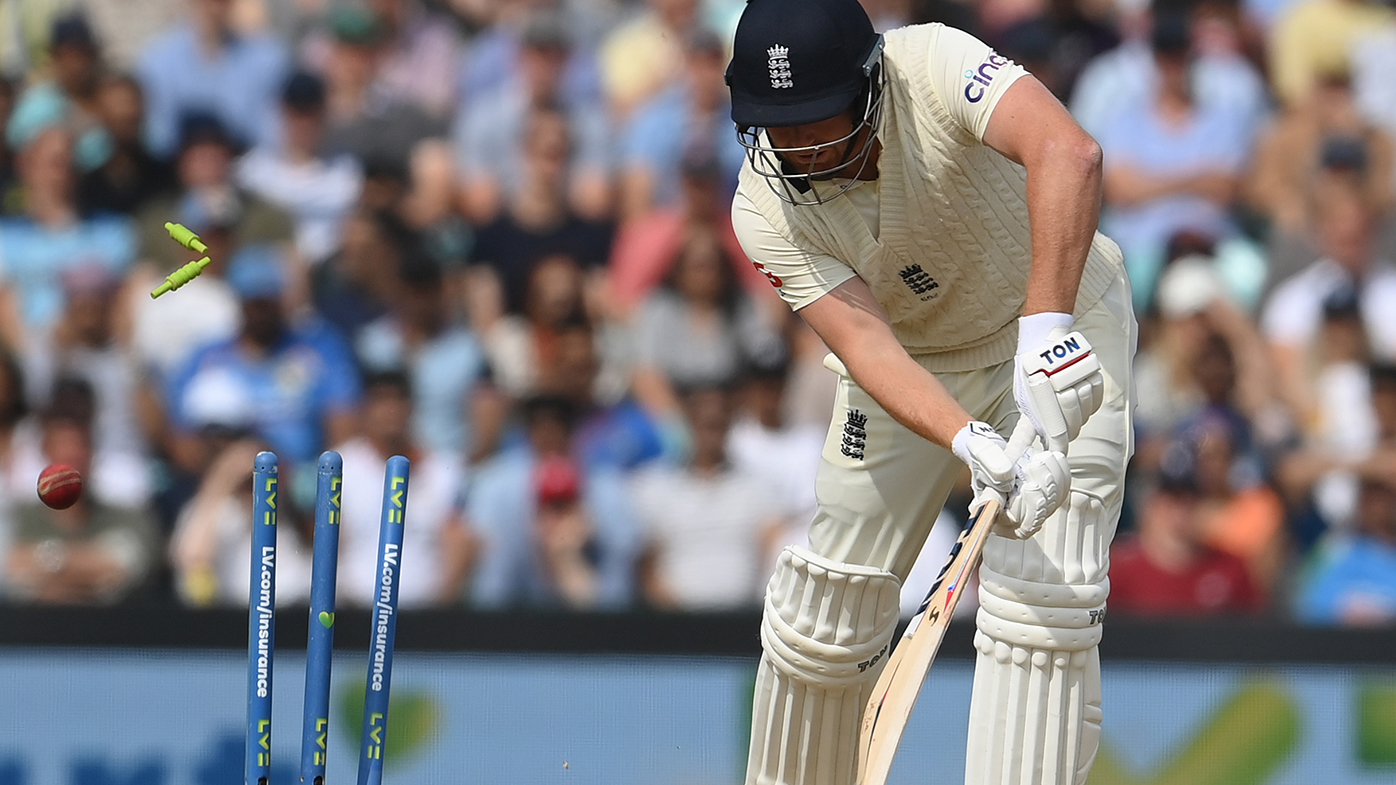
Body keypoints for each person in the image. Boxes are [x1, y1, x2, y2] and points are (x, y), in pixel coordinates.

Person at [724, 1, 1134, 783]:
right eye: (778, 126)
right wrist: (967, 437)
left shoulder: (935, 63)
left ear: (868, 84)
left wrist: (1046, 328)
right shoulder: (761, 207)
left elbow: (1069, 151)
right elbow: (866, 345)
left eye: (814, 118)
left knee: (1043, 602)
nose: (797, 146)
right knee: (821, 619)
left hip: (1061, 324)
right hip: (913, 363)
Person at [631, 385, 787, 609]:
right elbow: (648, 567)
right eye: (704, 424)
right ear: (689, 425)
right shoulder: (656, 487)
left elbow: (774, 551)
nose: (711, 434)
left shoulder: (757, 486)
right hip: (676, 618)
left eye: (718, 424)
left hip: (744, 615)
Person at [333, 371, 474, 608]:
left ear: (412, 407)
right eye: (380, 400)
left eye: (398, 399)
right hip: (355, 611)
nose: (390, 410)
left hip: (424, 613)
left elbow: (459, 542)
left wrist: (441, 607)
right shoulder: (341, 467)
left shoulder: (444, 471)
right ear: (365, 408)